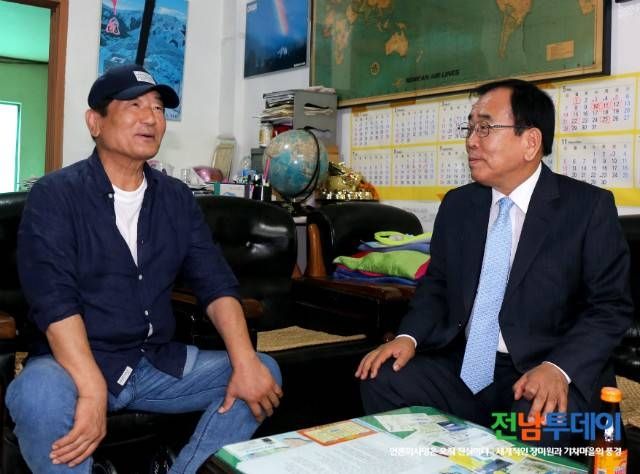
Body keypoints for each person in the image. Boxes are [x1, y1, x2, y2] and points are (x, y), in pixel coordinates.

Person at [6, 64, 282, 473]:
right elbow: (54, 302)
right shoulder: (55, 195)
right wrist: (91, 388)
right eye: (133, 105)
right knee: (37, 395)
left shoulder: (176, 199)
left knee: (262, 371)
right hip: (73, 363)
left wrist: (244, 361)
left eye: (157, 108)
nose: (150, 118)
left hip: (154, 362)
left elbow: (216, 284)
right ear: (95, 122)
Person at [356, 78, 633, 446]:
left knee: (534, 424)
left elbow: (610, 307)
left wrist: (559, 368)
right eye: (470, 127)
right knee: (382, 378)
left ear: (530, 142)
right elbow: (437, 285)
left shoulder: (587, 208)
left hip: (549, 367)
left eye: (485, 128)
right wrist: (409, 337)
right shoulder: (459, 205)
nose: (471, 140)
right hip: (468, 367)